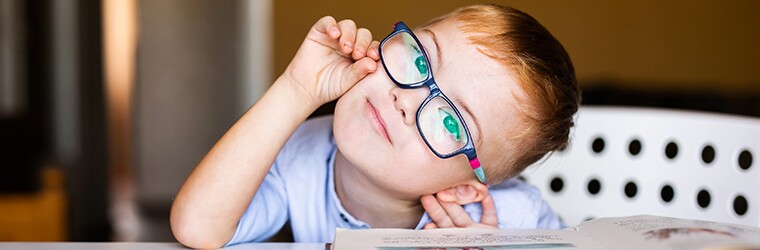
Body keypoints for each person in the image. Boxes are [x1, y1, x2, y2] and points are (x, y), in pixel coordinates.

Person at [170, 4, 579, 248]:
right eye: (420, 61)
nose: (407, 98)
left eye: (451, 121)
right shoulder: (302, 156)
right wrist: (295, 90)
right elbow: (198, 228)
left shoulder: (510, 223)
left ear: (461, 189)